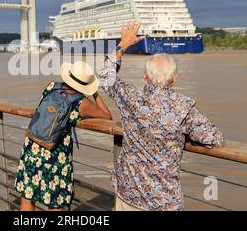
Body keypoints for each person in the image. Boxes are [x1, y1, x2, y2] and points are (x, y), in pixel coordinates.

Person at [98, 21, 224, 211]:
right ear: (174, 79)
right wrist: (182, 133)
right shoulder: (183, 108)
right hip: (162, 202)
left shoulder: (130, 98)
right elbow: (215, 139)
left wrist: (123, 43)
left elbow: (105, 76)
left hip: (128, 194)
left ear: (144, 76)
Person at [14, 60, 112, 211]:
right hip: (55, 152)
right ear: (84, 85)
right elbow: (107, 116)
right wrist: (95, 93)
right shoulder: (81, 103)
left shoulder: (51, 86)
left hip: (32, 145)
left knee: (28, 196)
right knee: (55, 201)